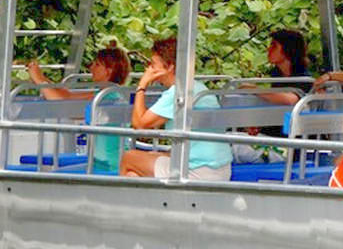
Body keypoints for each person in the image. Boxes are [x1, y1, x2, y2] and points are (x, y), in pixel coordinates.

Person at [119, 37, 232, 180]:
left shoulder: (178, 92)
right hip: (220, 169)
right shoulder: (198, 87)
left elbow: (139, 125)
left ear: (170, 67)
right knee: (136, 170)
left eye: (153, 64)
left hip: (197, 171)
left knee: (129, 158)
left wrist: (142, 86)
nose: (149, 69)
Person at [26, 44, 131, 172]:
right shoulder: (109, 93)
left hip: (108, 166)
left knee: (54, 177)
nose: (91, 67)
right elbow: (67, 96)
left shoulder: (106, 99)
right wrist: (42, 78)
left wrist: (38, 80)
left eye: (97, 65)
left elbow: (62, 106)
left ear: (109, 70)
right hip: (107, 163)